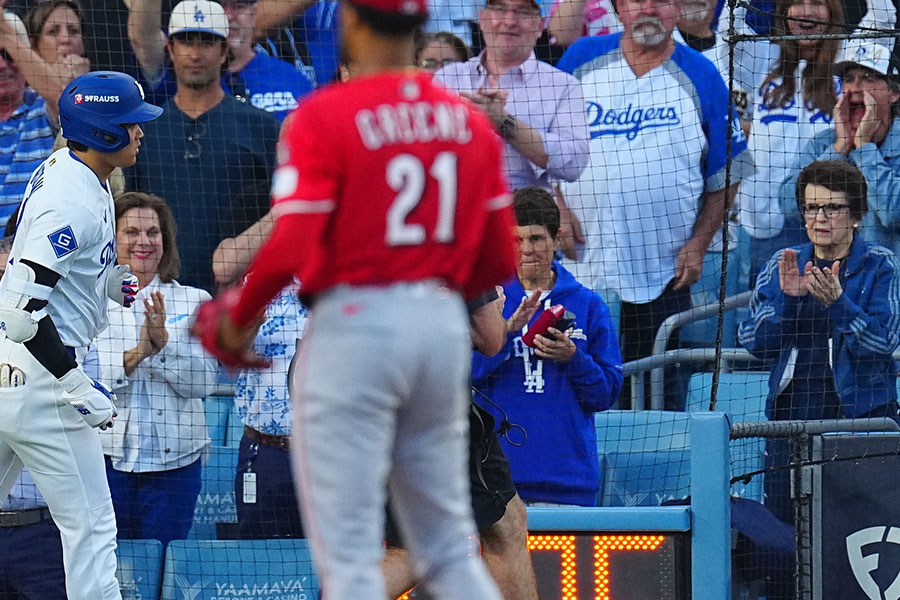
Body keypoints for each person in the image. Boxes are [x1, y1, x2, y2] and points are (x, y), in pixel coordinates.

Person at [192, 0, 519, 596]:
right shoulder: (468, 122)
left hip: (356, 325)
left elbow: (291, 240)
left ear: (352, 23)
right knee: (447, 547)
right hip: (440, 329)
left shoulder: (325, 114)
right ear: (420, 29)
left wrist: (238, 321)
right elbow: (499, 259)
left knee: (349, 559)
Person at [0, 70, 161, 600]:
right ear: (103, 132)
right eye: (131, 124)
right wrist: (73, 383)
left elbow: (64, 267)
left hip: (10, 375)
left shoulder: (76, 169)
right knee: (91, 531)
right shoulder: (71, 200)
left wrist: (110, 281)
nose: (140, 133)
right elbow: (21, 307)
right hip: (42, 382)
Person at [556, 0, 752, 409]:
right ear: (618, 8)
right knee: (576, 386)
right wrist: (556, 206)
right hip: (582, 265)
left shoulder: (703, 75)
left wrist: (699, 243)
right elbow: (541, 150)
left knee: (656, 396)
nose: (647, 8)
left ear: (677, 7)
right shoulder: (579, 59)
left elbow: (728, 174)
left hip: (664, 271)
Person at [739, 160, 900, 599]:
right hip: (790, 421)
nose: (820, 220)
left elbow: (884, 341)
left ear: (857, 214)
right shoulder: (783, 262)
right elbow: (753, 338)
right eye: (811, 209)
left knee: (857, 537)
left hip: (861, 421)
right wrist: (790, 303)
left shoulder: (881, 265)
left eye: (832, 209)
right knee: (784, 542)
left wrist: (840, 305)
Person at [471, 186, 622, 505]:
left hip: (568, 481)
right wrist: (507, 332)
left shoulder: (588, 305)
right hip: (495, 482)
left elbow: (607, 393)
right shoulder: (484, 301)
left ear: (556, 239)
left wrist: (573, 358)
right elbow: (465, 376)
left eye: (536, 239)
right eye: (516, 240)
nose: (526, 249)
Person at [732, 0, 894, 284]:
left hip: (834, 221)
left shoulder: (850, 54)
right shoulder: (761, 57)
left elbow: (884, 16)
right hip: (769, 222)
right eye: (797, 3)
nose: (806, 11)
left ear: (834, 12)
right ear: (783, 13)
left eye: (817, 2)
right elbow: (729, 25)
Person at [127, 0, 280, 291]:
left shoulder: (262, 127)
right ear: (170, 50)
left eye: (207, 42)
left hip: (239, 299)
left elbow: (280, 218)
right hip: (158, 297)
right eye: (186, 42)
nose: (195, 53)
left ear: (224, 51)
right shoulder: (145, 131)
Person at [93, 191, 218, 546]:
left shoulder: (195, 301)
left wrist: (162, 347)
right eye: (131, 232)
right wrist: (139, 352)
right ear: (111, 238)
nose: (144, 242)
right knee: (111, 565)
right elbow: (87, 377)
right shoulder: (90, 302)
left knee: (165, 571)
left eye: (153, 232)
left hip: (175, 468)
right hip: (106, 463)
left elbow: (204, 383)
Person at [211, 213, 310, 540]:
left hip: (330, 457)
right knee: (260, 560)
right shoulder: (254, 285)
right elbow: (222, 265)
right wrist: (284, 210)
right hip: (267, 454)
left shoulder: (341, 288)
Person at [434, 0, 589, 192]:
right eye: (500, 9)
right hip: (460, 209)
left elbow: (574, 164)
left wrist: (504, 122)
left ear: (540, 26)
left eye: (523, 12)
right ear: (482, 19)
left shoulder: (563, 85)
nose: (509, 21)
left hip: (525, 215)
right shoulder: (447, 78)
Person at [778, 40, 900, 256]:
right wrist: (840, 148)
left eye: (867, 79)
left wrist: (864, 147)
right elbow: (789, 206)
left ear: (894, 93)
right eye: (848, 80)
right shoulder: (824, 143)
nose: (854, 88)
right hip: (833, 276)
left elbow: (893, 213)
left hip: (890, 280)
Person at [128, 0, 313, 121]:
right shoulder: (182, 75)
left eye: (239, 6)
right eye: (220, 6)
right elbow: (144, 38)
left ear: (254, 12)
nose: (229, 15)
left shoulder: (292, 78)